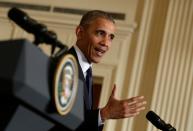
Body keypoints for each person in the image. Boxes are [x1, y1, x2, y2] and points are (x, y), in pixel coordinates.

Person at [51, 10, 146, 131]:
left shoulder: (87, 72)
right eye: (100, 33)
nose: (106, 43)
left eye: (111, 37)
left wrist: (102, 116)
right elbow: (56, 121)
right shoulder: (62, 65)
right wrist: (103, 114)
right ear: (80, 33)